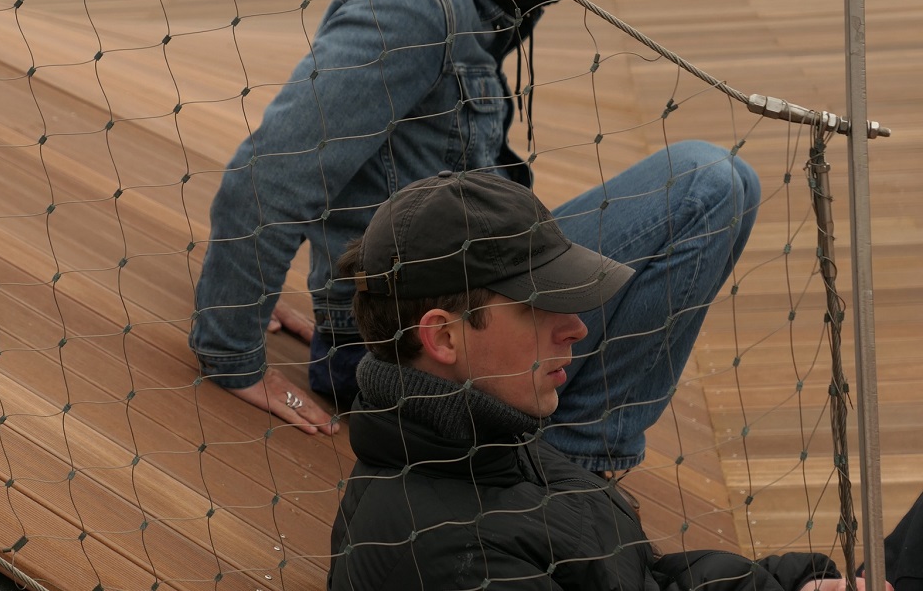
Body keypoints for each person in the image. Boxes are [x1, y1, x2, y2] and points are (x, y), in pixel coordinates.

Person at [190, 0, 760, 465]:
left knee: (723, 184)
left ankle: (564, 454)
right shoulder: (415, 2)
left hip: (459, 298)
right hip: (407, 350)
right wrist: (234, 348)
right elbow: (271, 173)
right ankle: (568, 464)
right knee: (708, 185)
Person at [326, 170, 914, 591]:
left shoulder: (493, 445)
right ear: (443, 337)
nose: (577, 329)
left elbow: (647, 577)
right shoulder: (455, 558)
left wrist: (791, 585)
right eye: (538, 307)